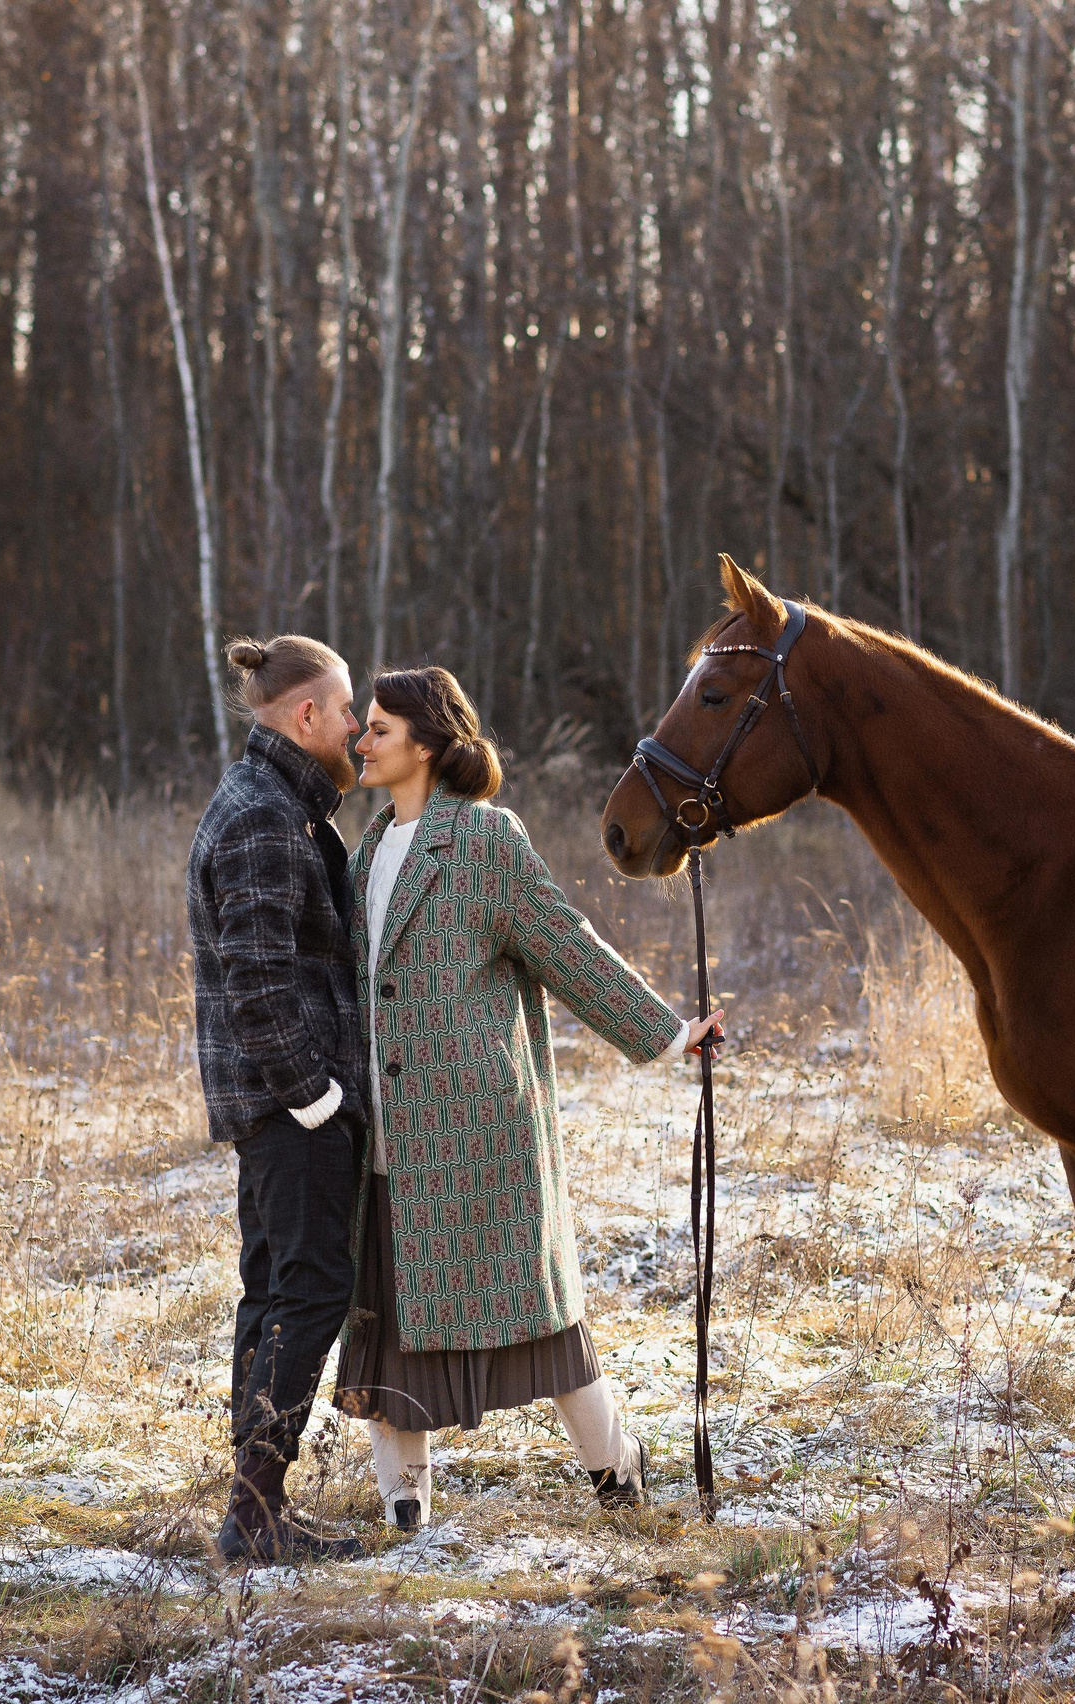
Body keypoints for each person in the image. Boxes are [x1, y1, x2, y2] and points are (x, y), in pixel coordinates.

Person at [334, 666, 722, 1533]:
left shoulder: (485, 840)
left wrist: (667, 1031)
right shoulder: (364, 851)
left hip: (478, 1130)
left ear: (426, 746)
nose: (363, 741)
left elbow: (564, 943)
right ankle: (405, 1499)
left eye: (380, 729)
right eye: (363, 727)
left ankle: (617, 1471)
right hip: (389, 1133)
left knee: (546, 1324)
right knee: (390, 1315)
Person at [185, 634, 371, 1564]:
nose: (358, 727)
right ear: (305, 715)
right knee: (313, 1289)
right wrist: (320, 1102)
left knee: (273, 1290)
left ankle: (252, 1510)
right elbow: (258, 985)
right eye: (346, 711)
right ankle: (254, 1510)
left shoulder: (282, 807)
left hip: (275, 1107)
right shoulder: (264, 817)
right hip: (288, 1108)